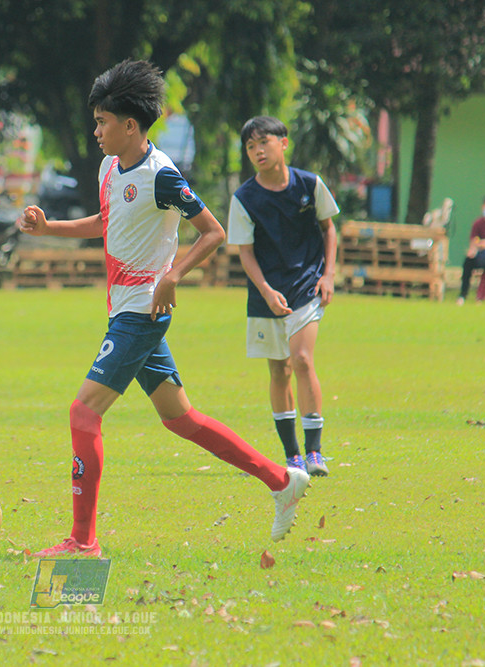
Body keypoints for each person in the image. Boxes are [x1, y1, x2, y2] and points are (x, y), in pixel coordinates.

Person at [17, 60, 309, 558]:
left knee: (82, 413)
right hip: (125, 311)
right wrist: (51, 230)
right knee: (181, 419)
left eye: (102, 122)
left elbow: (213, 231)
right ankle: (282, 480)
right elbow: (108, 223)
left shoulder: (162, 175)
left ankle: (82, 542)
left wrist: (173, 274)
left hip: (142, 315)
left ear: (130, 125)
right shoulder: (111, 166)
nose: (96, 132)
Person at [227, 116, 339, 478]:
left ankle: (315, 452)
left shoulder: (310, 184)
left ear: (283, 143)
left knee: (303, 360)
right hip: (266, 293)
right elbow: (245, 253)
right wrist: (266, 290)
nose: (258, 151)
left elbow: (329, 228)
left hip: (306, 286)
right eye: (250, 146)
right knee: (280, 371)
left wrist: (329, 275)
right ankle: (291, 455)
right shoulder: (244, 198)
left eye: (264, 142)